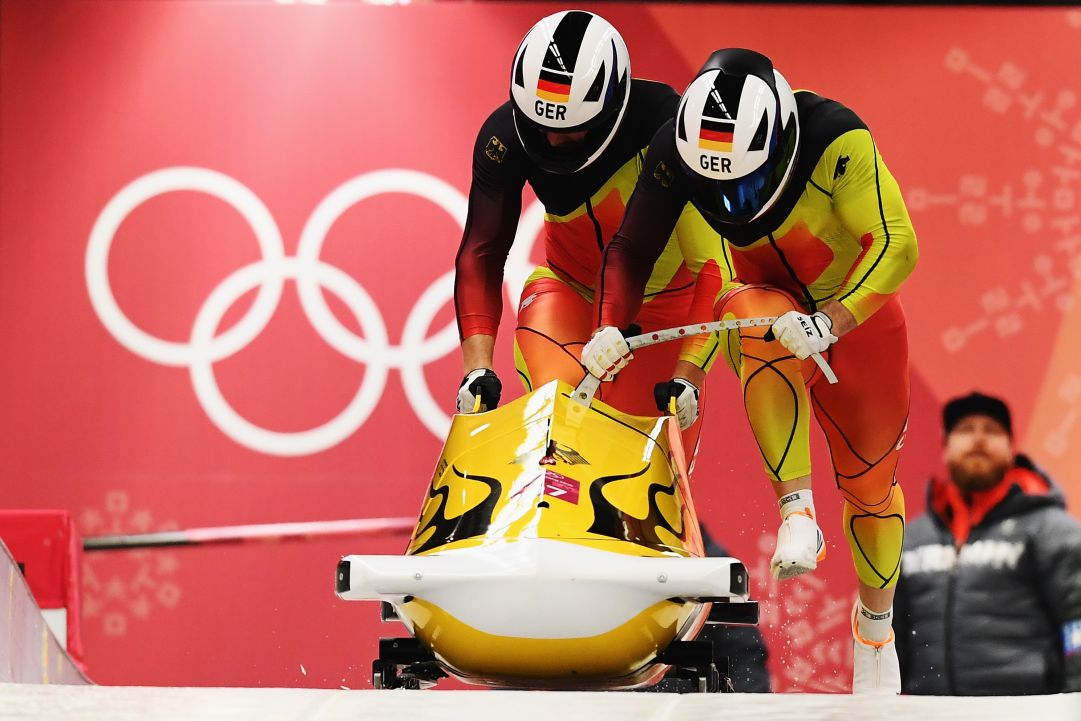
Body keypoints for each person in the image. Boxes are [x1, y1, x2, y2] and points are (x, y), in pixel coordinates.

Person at [582, 48, 918, 693]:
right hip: (769, 304)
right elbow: (631, 245)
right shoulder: (678, 146)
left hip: (859, 320)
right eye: (715, 186)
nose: (731, 198)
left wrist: (835, 320)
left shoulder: (837, 141)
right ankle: (797, 509)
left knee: (872, 495)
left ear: (780, 140)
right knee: (748, 312)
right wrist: (613, 327)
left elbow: (898, 242)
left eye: (745, 181)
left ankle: (875, 624)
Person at [453, 10, 727, 461]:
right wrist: (475, 368)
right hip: (568, 289)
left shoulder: (670, 128)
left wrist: (689, 371)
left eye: (569, 128)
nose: (552, 141)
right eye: (541, 125)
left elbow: (714, 267)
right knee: (558, 430)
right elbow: (481, 252)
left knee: (643, 464)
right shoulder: (504, 135)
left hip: (668, 308)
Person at [893, 392, 1081, 695]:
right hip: (926, 713)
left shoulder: (1052, 530)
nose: (978, 439)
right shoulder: (909, 539)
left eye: (992, 431)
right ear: (945, 448)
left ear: (1011, 448)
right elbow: (888, 639)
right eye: (966, 430)